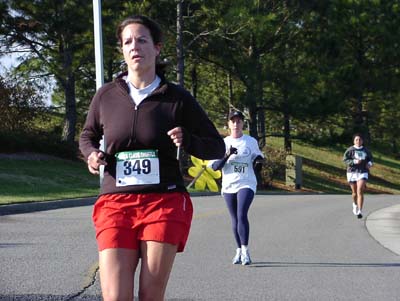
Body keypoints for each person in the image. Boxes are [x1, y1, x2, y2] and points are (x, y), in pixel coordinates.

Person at [79, 15, 225, 301]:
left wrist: (189, 140)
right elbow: (87, 135)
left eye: (142, 40)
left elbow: (216, 147)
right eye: (128, 42)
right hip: (115, 202)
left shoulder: (177, 98)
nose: (135, 47)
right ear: (122, 50)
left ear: (157, 48)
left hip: (164, 202)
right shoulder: (106, 95)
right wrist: (91, 154)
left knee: (149, 295)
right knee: (116, 296)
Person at [209, 110, 264, 266]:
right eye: (233, 121)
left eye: (239, 121)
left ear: (242, 124)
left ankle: (246, 251)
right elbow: (215, 167)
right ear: (228, 124)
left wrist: (259, 161)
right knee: (234, 218)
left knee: (241, 214)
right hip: (229, 184)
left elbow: (258, 157)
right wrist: (227, 155)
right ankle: (238, 250)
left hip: (246, 182)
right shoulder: (223, 143)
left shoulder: (250, 141)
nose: (236, 124)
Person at [343, 133, 373, 219]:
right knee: (354, 193)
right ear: (354, 141)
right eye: (356, 139)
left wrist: (369, 163)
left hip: (362, 171)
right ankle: (355, 204)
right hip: (351, 172)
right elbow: (345, 160)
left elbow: (370, 159)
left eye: (360, 140)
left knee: (360, 190)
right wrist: (354, 162)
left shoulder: (366, 150)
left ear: (362, 141)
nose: (358, 141)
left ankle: (360, 211)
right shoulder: (350, 150)